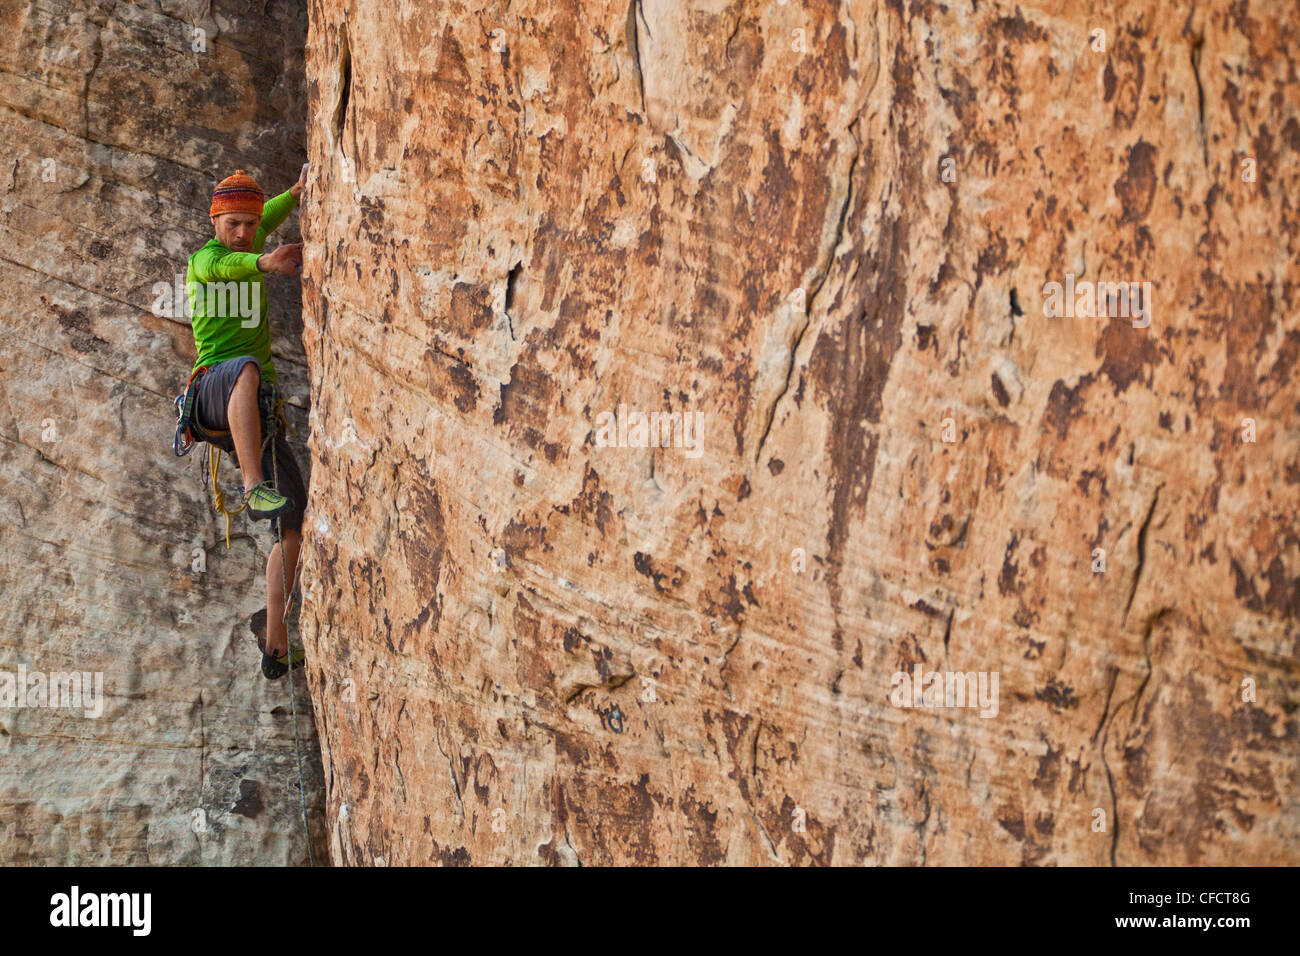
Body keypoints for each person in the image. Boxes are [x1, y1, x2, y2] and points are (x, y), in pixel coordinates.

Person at [185, 166, 308, 679]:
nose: (242, 232)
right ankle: (252, 486)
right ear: (216, 220)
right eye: (233, 223)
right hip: (212, 389)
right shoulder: (206, 260)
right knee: (246, 367)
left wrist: (298, 193)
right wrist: (265, 259)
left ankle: (276, 648)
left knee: (294, 525)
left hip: (254, 408)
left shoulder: (254, 228)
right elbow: (230, 266)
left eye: (249, 224)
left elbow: (270, 212)